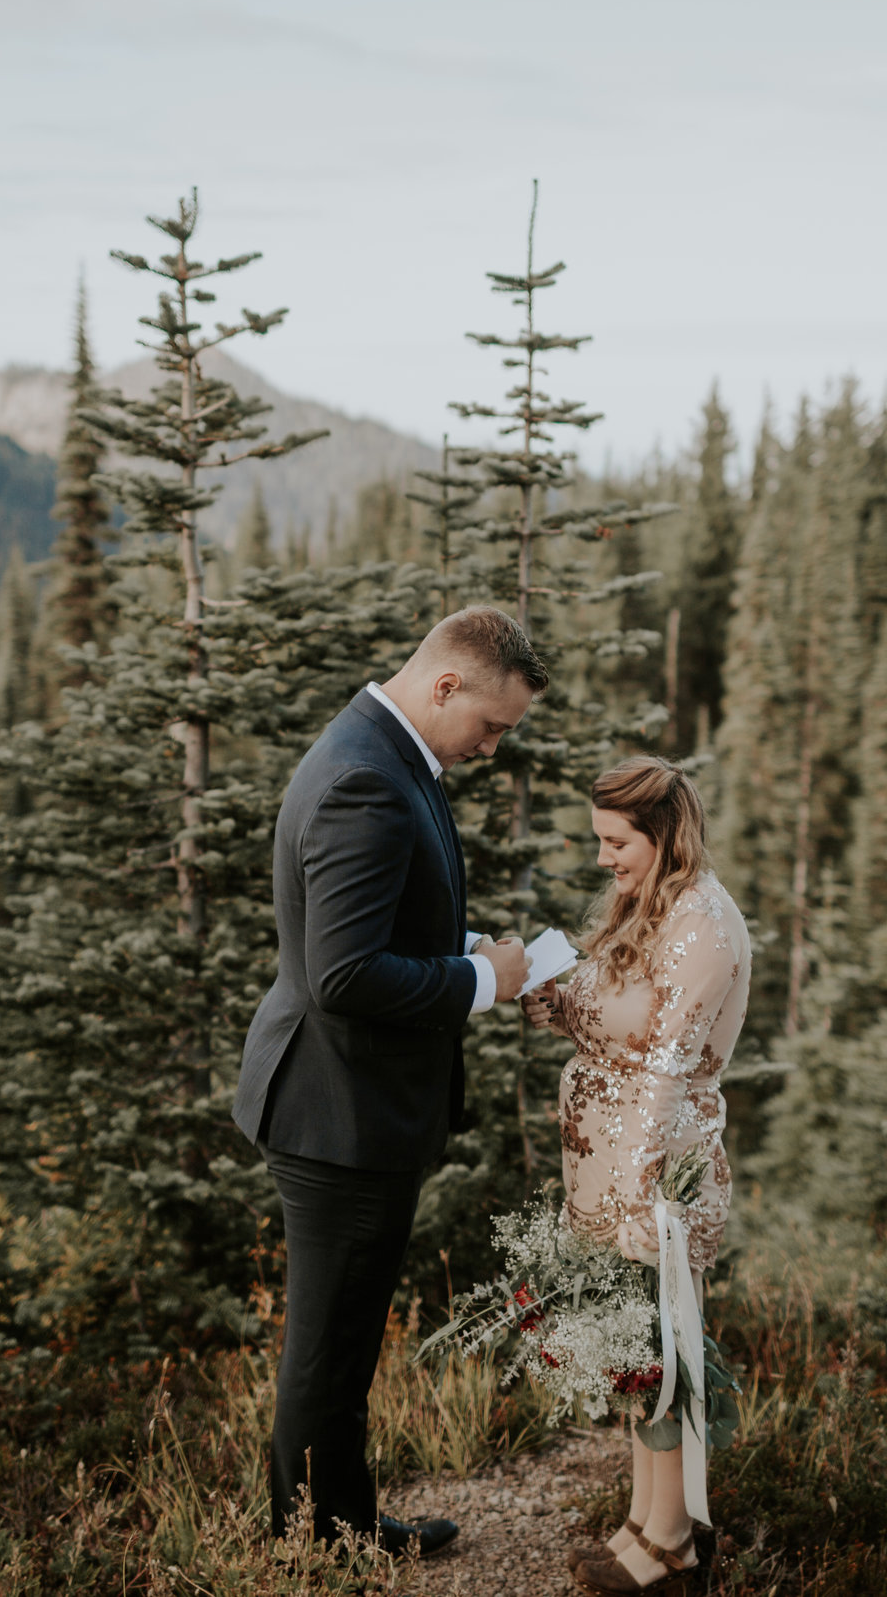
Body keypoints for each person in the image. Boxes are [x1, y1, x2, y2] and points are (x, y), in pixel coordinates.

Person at [234, 604, 547, 1557]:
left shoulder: (386, 750)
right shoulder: (367, 777)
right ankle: (318, 1544)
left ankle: (340, 1524)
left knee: (343, 1343)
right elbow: (343, 975)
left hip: (350, 1102)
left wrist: (457, 945)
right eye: (491, 726)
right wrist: (479, 983)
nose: (493, 747)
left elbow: (370, 930)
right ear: (444, 685)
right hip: (338, 1111)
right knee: (327, 1350)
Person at [521, 757, 748, 1593]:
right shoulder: (644, 907)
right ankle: (641, 1521)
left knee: (670, 1356)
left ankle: (675, 1541)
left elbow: (663, 1065)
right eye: (600, 841)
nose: (605, 857)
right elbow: (607, 1007)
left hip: (658, 1173)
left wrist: (643, 1192)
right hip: (602, 1167)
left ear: (664, 833)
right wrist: (546, 993)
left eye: (617, 841)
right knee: (636, 1357)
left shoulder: (704, 926)